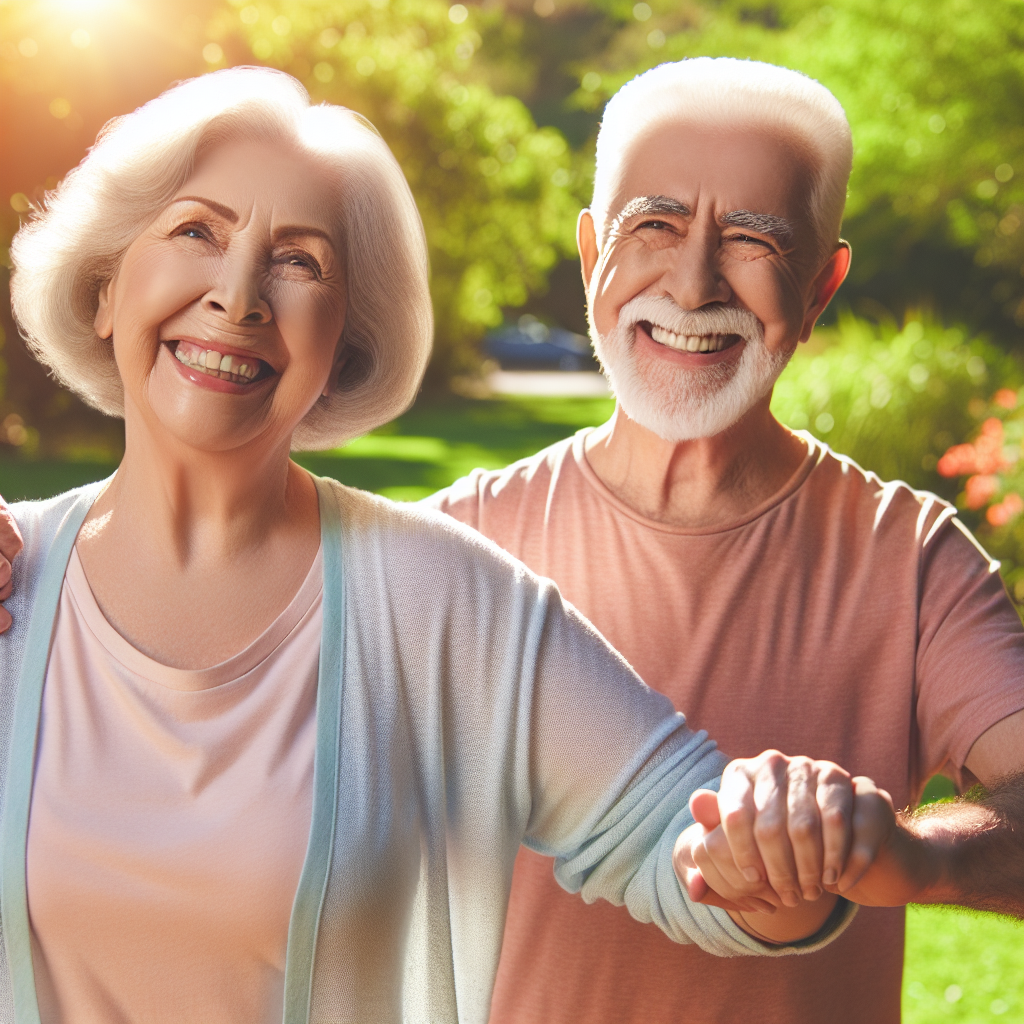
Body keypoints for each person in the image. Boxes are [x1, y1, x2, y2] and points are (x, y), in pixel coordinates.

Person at [0, 67, 899, 1024]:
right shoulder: (13, 582)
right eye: (196, 232)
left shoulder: (446, 601)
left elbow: (682, 842)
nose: (238, 295)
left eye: (299, 261)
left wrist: (785, 839)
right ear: (104, 289)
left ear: (344, 338)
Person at [425, 59, 1024, 1024]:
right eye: (653, 226)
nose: (695, 281)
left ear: (821, 283)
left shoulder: (911, 560)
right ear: (592, 257)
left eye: (751, 239)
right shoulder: (452, 546)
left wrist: (909, 855)